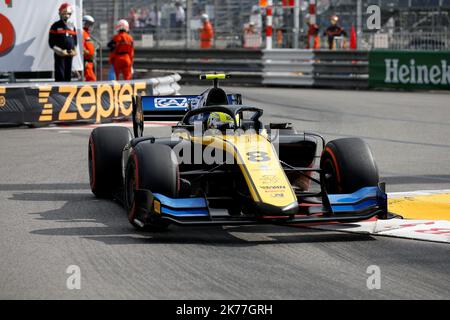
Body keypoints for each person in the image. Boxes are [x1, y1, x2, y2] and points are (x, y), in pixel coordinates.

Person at [49, 3, 77, 82]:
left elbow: (75, 41)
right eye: (64, 13)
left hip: (69, 54)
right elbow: (51, 43)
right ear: (60, 13)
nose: (66, 15)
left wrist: (74, 50)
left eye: (68, 13)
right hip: (60, 54)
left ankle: (67, 91)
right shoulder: (55, 26)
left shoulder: (72, 26)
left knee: (68, 75)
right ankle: (58, 92)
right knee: (60, 74)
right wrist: (60, 51)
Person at [82, 15, 96, 81]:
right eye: (88, 24)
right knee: (91, 79)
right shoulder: (82, 33)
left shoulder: (86, 34)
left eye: (91, 24)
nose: (90, 26)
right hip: (86, 61)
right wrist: (86, 52)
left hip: (90, 61)